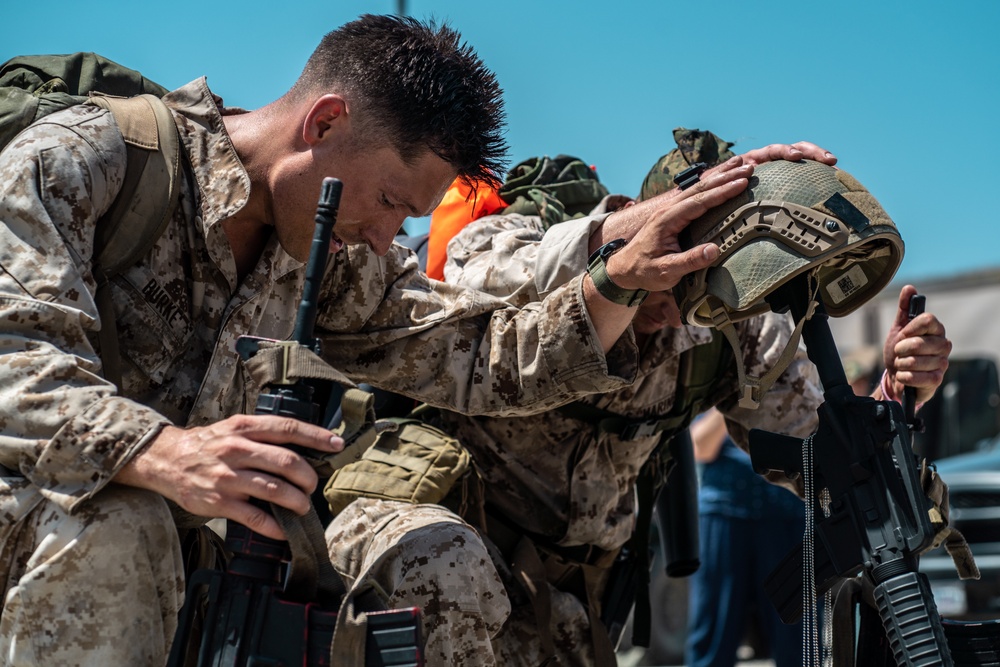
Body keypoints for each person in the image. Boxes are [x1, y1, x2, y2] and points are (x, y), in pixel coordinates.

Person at [0, 16, 837, 666]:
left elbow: (478, 354)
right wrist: (164, 454)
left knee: (431, 554)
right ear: (324, 122)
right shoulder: (93, 157)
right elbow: (16, 359)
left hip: (206, 541)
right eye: (393, 200)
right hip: (49, 517)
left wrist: (617, 270)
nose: (388, 236)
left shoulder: (326, 254)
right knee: (124, 521)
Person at [324, 128, 952, 666]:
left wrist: (892, 400)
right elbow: (474, 271)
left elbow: (817, 457)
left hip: (575, 603)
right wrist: (620, 249)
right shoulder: (534, 238)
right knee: (447, 568)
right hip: (445, 557)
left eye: (695, 286)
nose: (669, 305)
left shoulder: (731, 328)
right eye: (666, 267)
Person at [686, 406, 805, 667]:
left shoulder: (798, 368)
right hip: (725, 510)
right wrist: (741, 392)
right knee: (712, 636)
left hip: (786, 512)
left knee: (798, 643)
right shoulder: (715, 375)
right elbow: (699, 446)